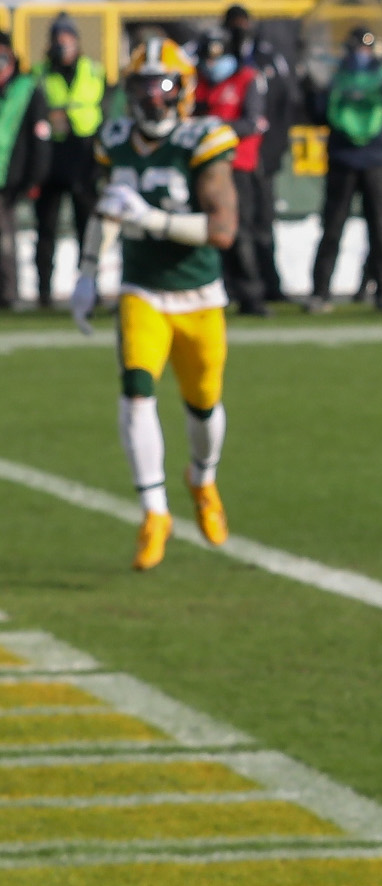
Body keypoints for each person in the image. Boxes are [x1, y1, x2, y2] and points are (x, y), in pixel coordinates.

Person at [71, 38, 237, 571]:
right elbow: (109, 209)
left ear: (184, 91)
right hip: (142, 290)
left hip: (199, 293)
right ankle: (154, 510)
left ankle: (202, 479)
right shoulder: (116, 138)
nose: (152, 99)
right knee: (137, 390)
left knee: (204, 404)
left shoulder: (203, 140)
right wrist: (89, 272)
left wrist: (154, 221)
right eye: (142, 87)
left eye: (163, 86)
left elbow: (223, 230)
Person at [307, 25, 382, 312]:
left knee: (379, 227)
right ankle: (320, 291)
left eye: (366, 48)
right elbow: (320, 115)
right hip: (344, 159)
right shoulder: (337, 79)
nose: (362, 54)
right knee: (333, 226)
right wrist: (315, 91)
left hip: (378, 159)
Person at [189, 28, 269, 314]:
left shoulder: (247, 79)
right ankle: (214, 290)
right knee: (207, 231)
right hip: (203, 166)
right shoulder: (196, 82)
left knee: (240, 231)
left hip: (237, 164)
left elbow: (252, 122)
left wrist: (214, 129)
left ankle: (250, 294)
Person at [224, 6, 296, 302]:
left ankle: (269, 284)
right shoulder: (219, 61)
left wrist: (274, 148)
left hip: (259, 154)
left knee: (262, 223)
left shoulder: (268, 58)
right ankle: (236, 286)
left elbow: (283, 106)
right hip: (232, 157)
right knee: (233, 223)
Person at [31, 16, 102, 311]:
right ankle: (43, 293)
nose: (63, 43)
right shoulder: (40, 73)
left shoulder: (93, 71)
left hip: (84, 158)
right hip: (50, 159)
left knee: (87, 230)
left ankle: (88, 291)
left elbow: (106, 110)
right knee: (45, 230)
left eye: (67, 37)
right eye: (58, 37)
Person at [0, 38, 42, 314]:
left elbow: (37, 140)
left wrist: (32, 179)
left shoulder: (26, 89)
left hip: (9, 180)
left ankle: (8, 293)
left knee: (5, 240)